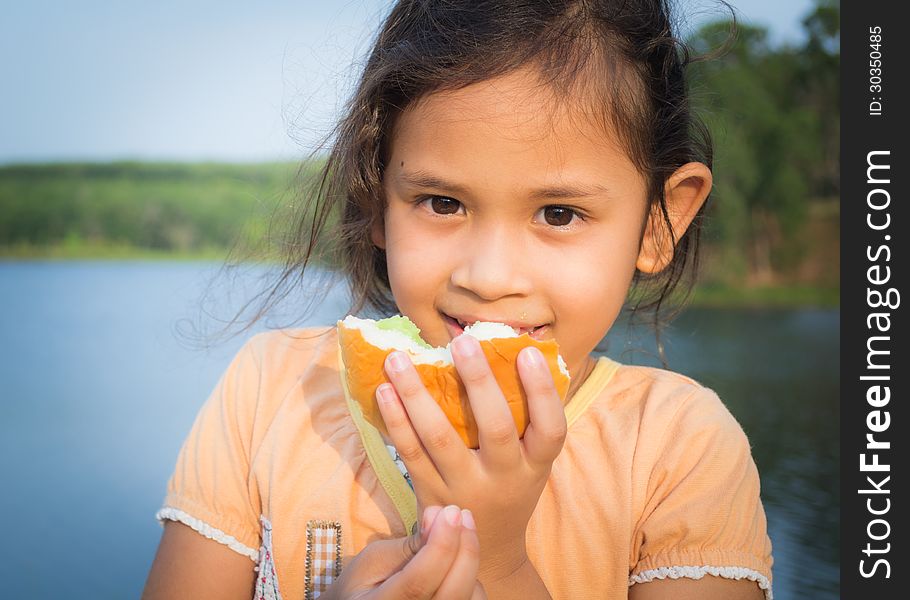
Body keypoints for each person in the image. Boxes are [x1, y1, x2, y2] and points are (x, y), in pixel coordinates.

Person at [142, 1, 773, 598]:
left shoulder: (678, 450)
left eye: (559, 213)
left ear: (659, 223)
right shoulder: (270, 393)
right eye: (442, 203)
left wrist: (496, 559)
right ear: (377, 200)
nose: (490, 276)